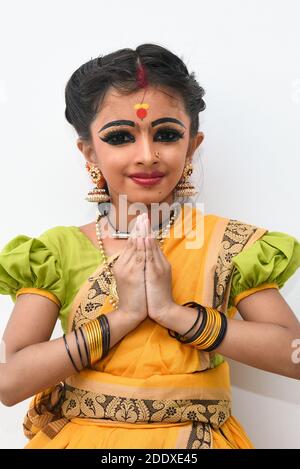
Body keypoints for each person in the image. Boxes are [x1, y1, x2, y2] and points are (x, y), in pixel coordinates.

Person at [0, 43, 300, 450]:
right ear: (89, 152)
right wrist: (123, 317)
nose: (147, 155)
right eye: (121, 136)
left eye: (166, 134)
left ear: (192, 145)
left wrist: (172, 313)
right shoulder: (56, 252)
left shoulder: (228, 245)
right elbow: (10, 382)